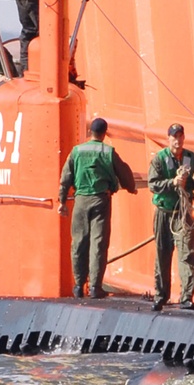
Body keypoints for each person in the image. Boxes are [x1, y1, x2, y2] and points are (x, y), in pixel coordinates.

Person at [57, 118, 137, 299]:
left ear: (90, 131)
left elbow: (66, 176)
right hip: (100, 200)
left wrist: (62, 201)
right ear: (104, 133)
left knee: (78, 243)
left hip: (80, 201)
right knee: (98, 243)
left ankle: (78, 285)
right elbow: (123, 171)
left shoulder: (77, 151)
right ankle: (95, 287)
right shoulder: (108, 151)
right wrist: (131, 188)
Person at [148, 123, 194, 311]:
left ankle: (186, 296)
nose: (178, 140)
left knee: (187, 254)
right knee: (162, 253)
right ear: (169, 139)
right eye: (174, 137)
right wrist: (172, 183)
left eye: (181, 136)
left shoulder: (190, 158)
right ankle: (161, 295)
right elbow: (153, 184)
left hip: (183, 213)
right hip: (164, 212)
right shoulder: (159, 159)